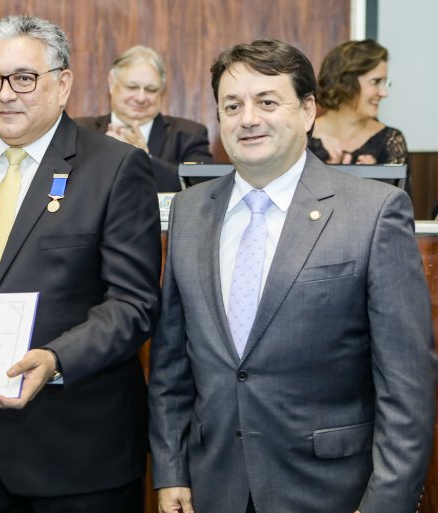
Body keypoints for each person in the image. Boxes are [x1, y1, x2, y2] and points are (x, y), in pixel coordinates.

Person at [148, 39, 435, 513]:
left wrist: (386, 503)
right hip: (212, 486)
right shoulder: (190, 210)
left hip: (331, 491)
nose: (248, 118)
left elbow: (406, 387)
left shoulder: (374, 212)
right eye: (232, 105)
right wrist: (171, 469)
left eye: (267, 102)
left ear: (306, 111)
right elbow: (171, 365)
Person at [0, 15, 161, 513]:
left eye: (25, 78)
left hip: (80, 453)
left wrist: (54, 358)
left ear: (63, 84)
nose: (6, 94)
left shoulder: (115, 167)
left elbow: (133, 304)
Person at [75, 45, 212, 192]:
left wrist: (144, 159)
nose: (141, 98)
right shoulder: (79, 130)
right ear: (111, 83)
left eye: (150, 89)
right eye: (132, 87)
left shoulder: (189, 135)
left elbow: (202, 189)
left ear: (161, 91)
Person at [309, 39, 407, 165]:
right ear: (345, 83)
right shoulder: (302, 137)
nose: (384, 93)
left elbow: (399, 185)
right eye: (376, 82)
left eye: (385, 83)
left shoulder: (391, 141)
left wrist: (374, 182)